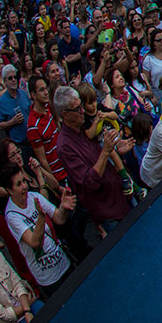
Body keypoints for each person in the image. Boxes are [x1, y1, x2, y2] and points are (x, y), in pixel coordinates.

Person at [53, 85, 132, 233]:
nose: (82, 111)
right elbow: (88, 181)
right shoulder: (64, 146)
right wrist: (106, 151)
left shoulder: (82, 127)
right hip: (109, 211)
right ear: (65, 114)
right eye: (77, 109)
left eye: (81, 106)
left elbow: (101, 155)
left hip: (120, 196)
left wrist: (115, 150)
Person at [3, 165, 76, 300]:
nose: (24, 186)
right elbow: (34, 242)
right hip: (49, 278)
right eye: (19, 184)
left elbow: (59, 218)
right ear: (10, 190)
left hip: (64, 262)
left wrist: (63, 207)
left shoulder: (34, 197)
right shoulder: (12, 216)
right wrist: (41, 217)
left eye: (24, 181)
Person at [0, 64, 31, 147]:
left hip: (32, 138)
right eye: (10, 78)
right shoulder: (2, 101)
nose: (13, 80)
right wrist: (12, 122)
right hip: (19, 143)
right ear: (5, 81)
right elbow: (0, 125)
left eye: (15, 77)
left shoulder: (24, 94)